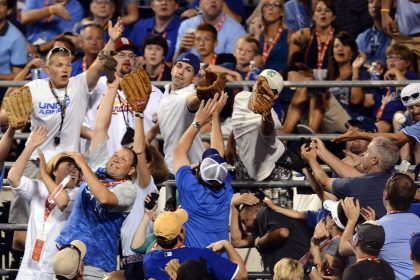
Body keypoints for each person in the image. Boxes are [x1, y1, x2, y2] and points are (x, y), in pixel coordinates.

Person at [56, 76, 137, 279]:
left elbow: (106, 198)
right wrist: (111, 90)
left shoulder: (128, 189)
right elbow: (100, 128)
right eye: (116, 155)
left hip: (96, 263)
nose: (117, 159)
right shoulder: (97, 168)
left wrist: (84, 166)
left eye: (124, 160)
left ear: (131, 171)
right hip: (67, 252)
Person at [7, 127, 81, 280]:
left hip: (56, 271)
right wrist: (30, 146)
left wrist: (43, 173)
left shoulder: (78, 194)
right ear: (55, 171)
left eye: (76, 168)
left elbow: (62, 201)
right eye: (68, 165)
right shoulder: (40, 188)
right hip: (29, 268)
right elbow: (13, 178)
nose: (73, 170)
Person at [228, 69, 305, 207]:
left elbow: (266, 129)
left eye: (268, 88)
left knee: (279, 220)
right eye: (260, 82)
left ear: (274, 96)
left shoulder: (273, 119)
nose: (261, 88)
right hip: (246, 167)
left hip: (274, 170)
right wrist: (230, 143)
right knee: (246, 217)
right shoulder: (241, 97)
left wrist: (266, 112)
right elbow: (238, 120)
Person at [82, 37, 164, 155]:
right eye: (121, 54)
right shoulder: (94, 88)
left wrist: (152, 133)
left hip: (139, 161)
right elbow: (78, 124)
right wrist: (96, 136)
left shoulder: (151, 91)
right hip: (101, 160)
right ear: (110, 59)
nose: (127, 59)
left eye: (131, 56)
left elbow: (164, 122)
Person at [173, 92, 234, 248]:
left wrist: (197, 122)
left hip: (196, 263)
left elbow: (180, 150)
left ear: (199, 172)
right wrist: (215, 116)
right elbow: (219, 153)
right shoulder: (226, 189)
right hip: (221, 260)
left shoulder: (190, 188)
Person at [339, 174, 420, 279]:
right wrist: (372, 226)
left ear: (385, 195)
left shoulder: (379, 227)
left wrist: (351, 220)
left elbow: (343, 248)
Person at [302, 136, 400, 218]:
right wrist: (321, 151)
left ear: (374, 160)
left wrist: (311, 160)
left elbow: (324, 182)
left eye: (367, 151)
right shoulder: (397, 182)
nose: (364, 154)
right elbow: (356, 177)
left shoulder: (359, 184)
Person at [143, 208, 248, 279]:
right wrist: (226, 244)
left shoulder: (148, 261)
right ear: (180, 233)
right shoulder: (203, 255)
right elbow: (241, 276)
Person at [282, 0, 336, 134]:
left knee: (312, 85)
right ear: (313, 16)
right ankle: (286, 133)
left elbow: (340, 69)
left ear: (333, 16)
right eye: (319, 10)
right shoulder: (306, 36)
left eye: (327, 10)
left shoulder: (339, 38)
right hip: (310, 82)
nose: (323, 13)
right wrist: (294, 43)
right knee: (308, 85)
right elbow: (291, 67)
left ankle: (308, 132)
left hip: (331, 83)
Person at [230, 194, 312, 275]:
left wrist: (260, 243)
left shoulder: (266, 212)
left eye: (244, 221)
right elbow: (237, 241)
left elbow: (283, 233)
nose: (246, 229)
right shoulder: (263, 231)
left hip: (299, 274)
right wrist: (234, 207)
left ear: (256, 211)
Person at [157, 52, 203, 174]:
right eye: (179, 66)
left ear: (194, 77)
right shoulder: (167, 91)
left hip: (192, 170)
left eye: (188, 69)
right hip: (171, 166)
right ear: (172, 70)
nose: (181, 71)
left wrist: (204, 90)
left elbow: (192, 101)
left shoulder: (188, 95)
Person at [334, 83, 420, 147]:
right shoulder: (408, 116)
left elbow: (398, 138)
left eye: (418, 105)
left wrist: (360, 135)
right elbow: (395, 142)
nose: (415, 111)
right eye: (411, 108)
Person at [175, 0, 246, 57]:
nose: (213, 1)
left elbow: (232, 66)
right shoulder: (186, 25)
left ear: (223, 3)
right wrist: (181, 49)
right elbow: (175, 63)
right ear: (200, 3)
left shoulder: (237, 30)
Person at [248, 0, 290, 71]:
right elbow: (249, 61)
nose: (270, 8)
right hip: (258, 76)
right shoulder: (255, 34)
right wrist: (257, 35)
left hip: (281, 76)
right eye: (266, 5)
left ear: (282, 12)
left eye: (275, 5)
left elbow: (291, 64)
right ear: (262, 11)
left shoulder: (290, 34)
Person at [0, 0, 28, 98]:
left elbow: (19, 75)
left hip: (3, 91)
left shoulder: (16, 38)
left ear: (8, 11)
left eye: (2, 4)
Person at [356, 0, 391, 64]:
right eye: (371, 2)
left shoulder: (395, 35)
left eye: (379, 1)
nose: (374, 5)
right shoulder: (362, 38)